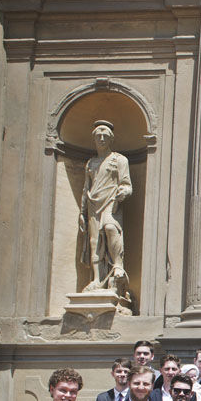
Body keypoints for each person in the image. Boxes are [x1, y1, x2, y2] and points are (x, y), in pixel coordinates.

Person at [79, 120, 132, 300]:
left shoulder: (119, 160)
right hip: (94, 203)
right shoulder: (91, 163)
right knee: (94, 241)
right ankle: (97, 279)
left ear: (111, 139)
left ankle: (117, 267)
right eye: (98, 136)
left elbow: (126, 184)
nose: (101, 139)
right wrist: (82, 211)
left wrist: (123, 193)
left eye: (105, 136)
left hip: (112, 201)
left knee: (110, 228)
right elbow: (86, 188)